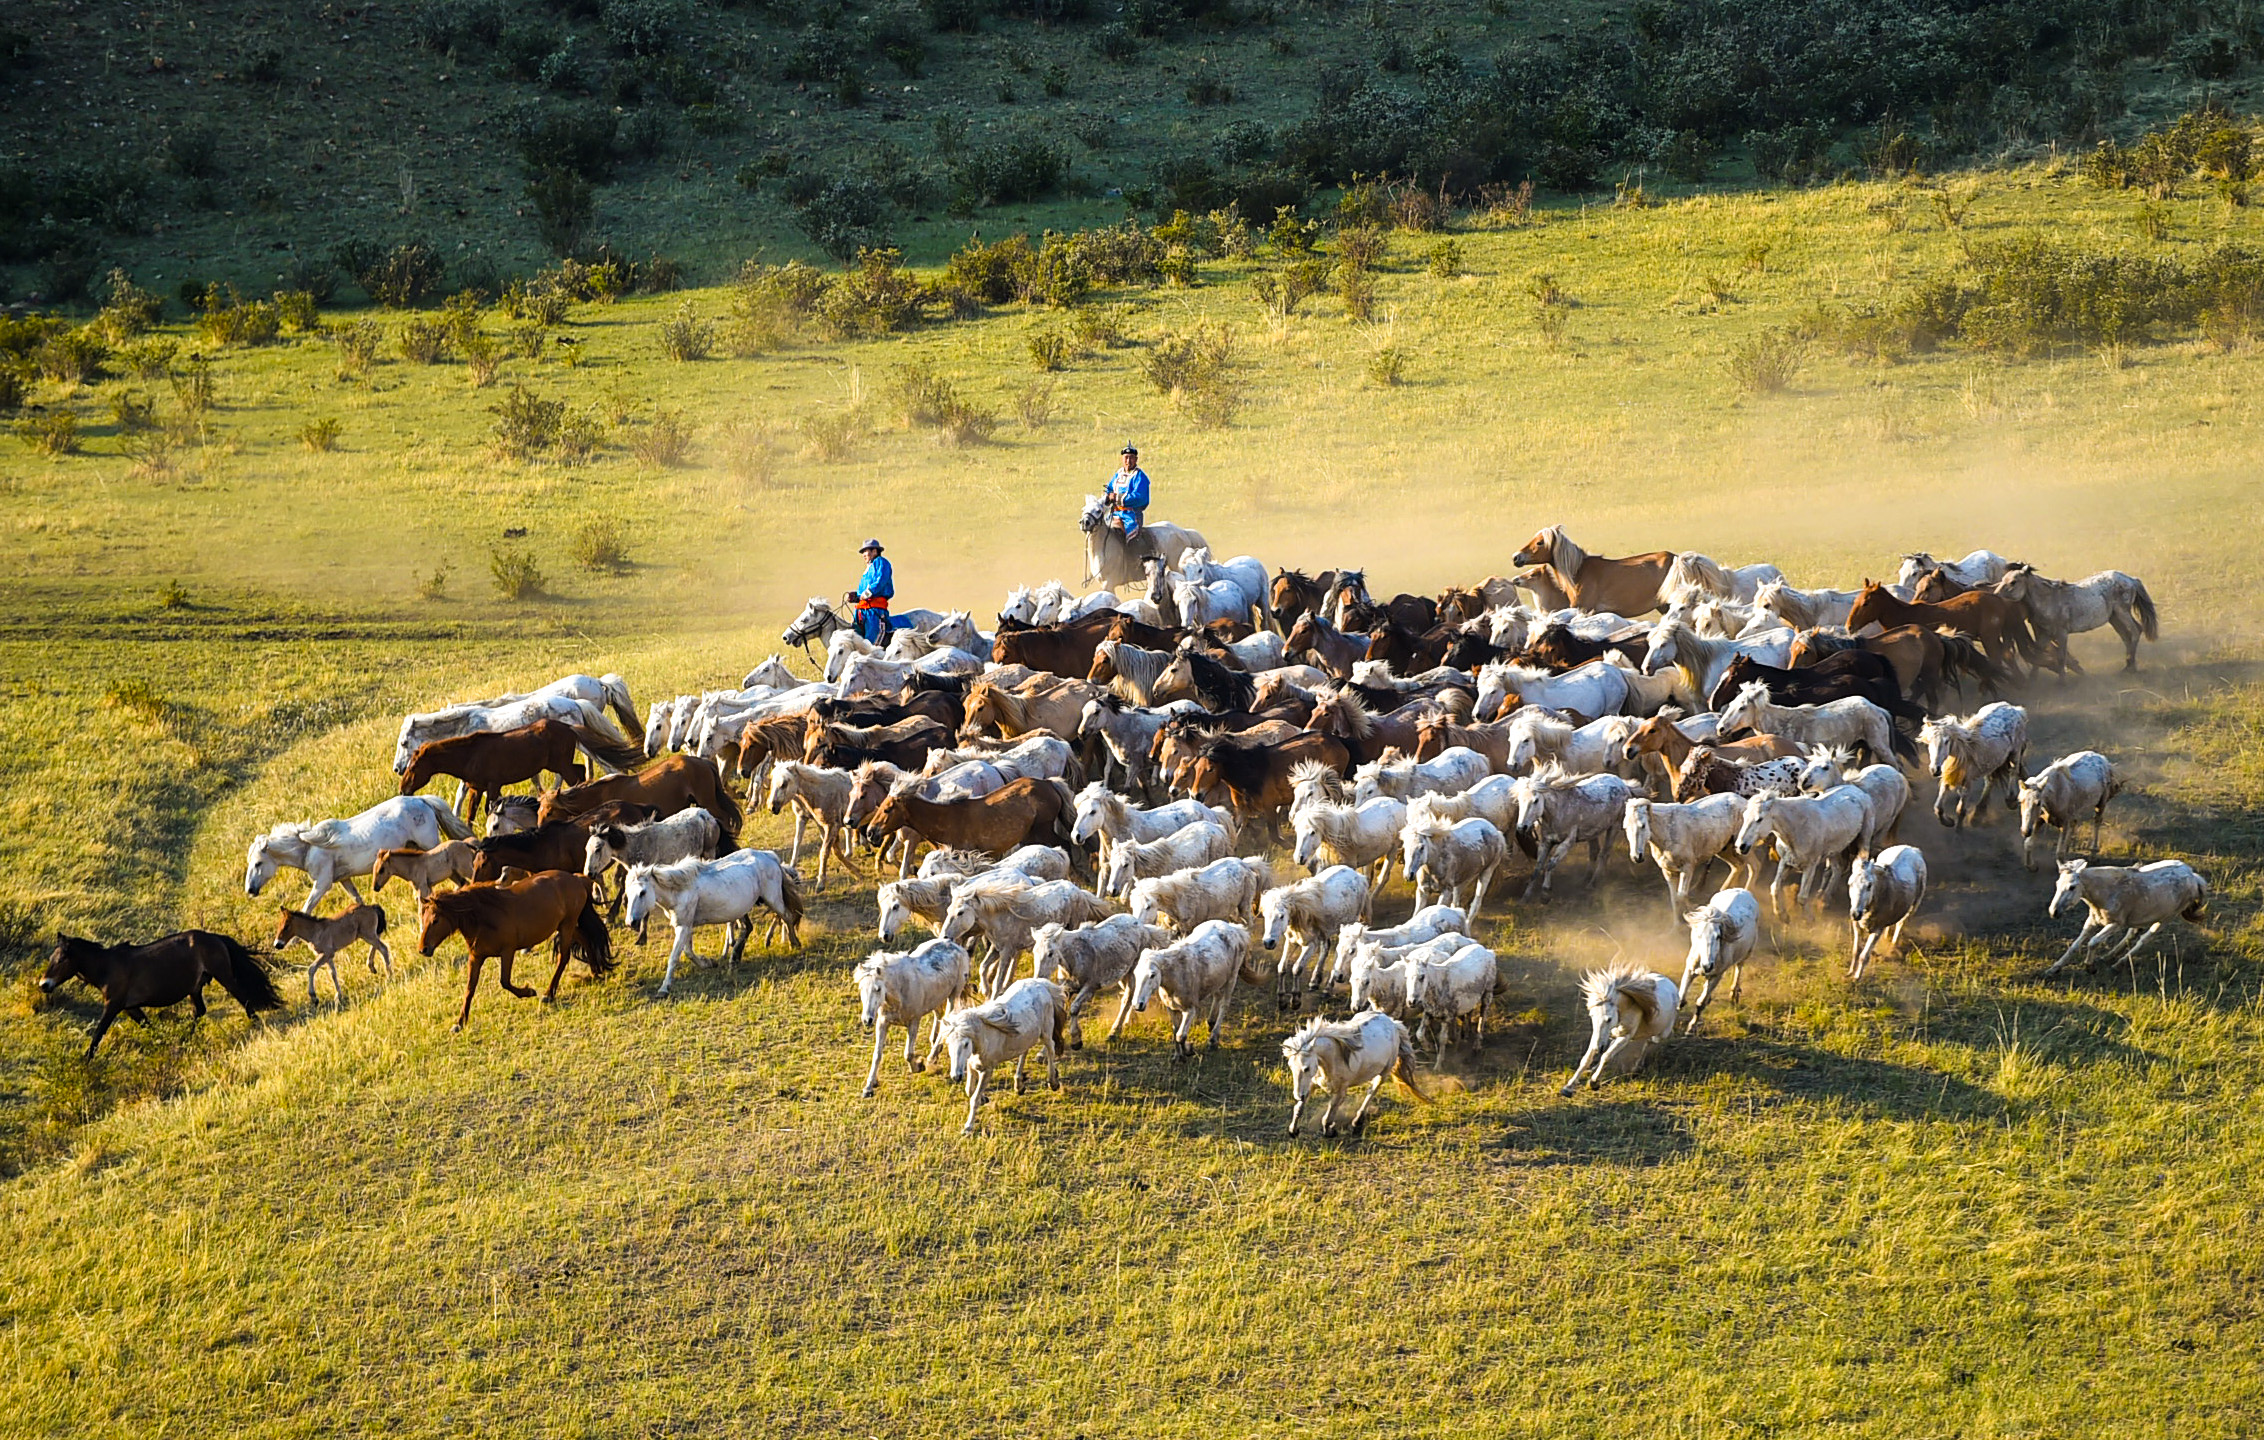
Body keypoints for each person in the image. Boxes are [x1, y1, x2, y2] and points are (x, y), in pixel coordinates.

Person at [846, 538, 894, 644]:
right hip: (861, 611)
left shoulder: (881, 562)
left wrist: (867, 593)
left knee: (871, 642)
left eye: (865, 551)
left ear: (874, 551)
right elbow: (863, 592)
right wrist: (856, 596)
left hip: (875, 611)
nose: (863, 555)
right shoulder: (868, 569)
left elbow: (881, 581)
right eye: (863, 552)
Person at [1103, 445, 1150, 545]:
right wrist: (1108, 496)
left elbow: (1140, 497)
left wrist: (1117, 498)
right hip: (1114, 513)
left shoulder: (1140, 477)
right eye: (1126, 457)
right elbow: (1110, 488)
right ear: (1122, 459)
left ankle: (1135, 553)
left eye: (1131, 458)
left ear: (1136, 459)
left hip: (1131, 516)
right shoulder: (1118, 475)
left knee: (1132, 540)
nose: (1128, 461)